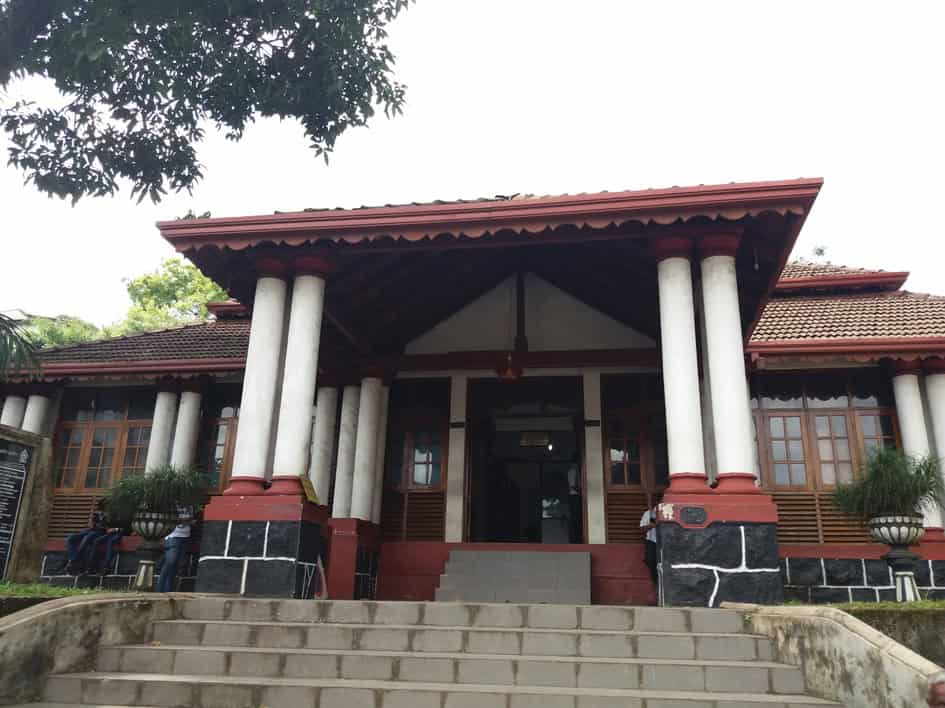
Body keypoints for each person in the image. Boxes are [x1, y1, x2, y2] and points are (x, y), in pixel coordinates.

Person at [157, 505, 194, 592]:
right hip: (173, 536)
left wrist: (185, 520)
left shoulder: (190, 506)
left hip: (185, 536)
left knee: (176, 564)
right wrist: (185, 520)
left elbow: (190, 519)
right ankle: (160, 589)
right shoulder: (173, 505)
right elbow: (172, 519)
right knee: (171, 561)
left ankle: (168, 589)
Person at [65, 500, 108, 574]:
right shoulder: (96, 514)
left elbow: (107, 528)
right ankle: (72, 559)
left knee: (86, 538)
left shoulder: (108, 515)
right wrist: (92, 522)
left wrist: (101, 522)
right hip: (90, 530)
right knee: (70, 538)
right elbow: (91, 525)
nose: (101, 509)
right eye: (100, 507)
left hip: (100, 532)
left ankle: (75, 561)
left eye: (103, 507)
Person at [640, 494, 662, 586]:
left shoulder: (669, 512)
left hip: (666, 542)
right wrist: (652, 525)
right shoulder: (648, 513)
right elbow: (642, 529)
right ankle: (656, 583)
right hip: (652, 542)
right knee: (650, 560)